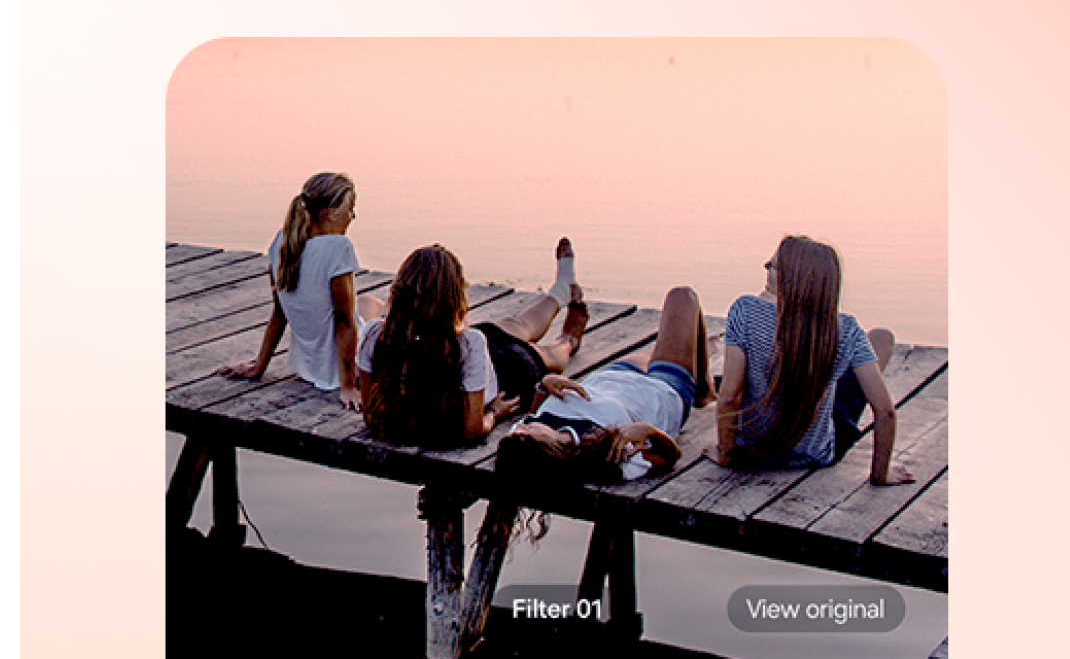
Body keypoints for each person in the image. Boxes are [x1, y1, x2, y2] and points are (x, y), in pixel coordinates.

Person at [713, 234, 914, 485]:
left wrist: (725, 454)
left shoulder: (744, 311)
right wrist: (881, 475)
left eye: (773, 265)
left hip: (753, 450)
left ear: (791, 277)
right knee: (881, 338)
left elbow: (730, 397)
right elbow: (885, 411)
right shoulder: (847, 328)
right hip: (815, 455)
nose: (765, 266)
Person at [358, 239, 588, 447]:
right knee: (547, 354)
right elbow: (473, 430)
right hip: (506, 373)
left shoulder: (375, 333)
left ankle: (561, 290)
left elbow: (370, 415)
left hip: (464, 349)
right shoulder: (468, 343)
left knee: (514, 325)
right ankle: (569, 338)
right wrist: (496, 414)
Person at [495, 284, 717, 488]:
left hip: (614, 375)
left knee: (670, 344)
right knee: (682, 296)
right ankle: (701, 386)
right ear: (550, 448)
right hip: (662, 388)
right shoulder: (608, 454)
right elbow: (669, 458)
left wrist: (544, 387)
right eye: (525, 431)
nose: (519, 427)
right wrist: (650, 432)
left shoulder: (520, 438)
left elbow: (535, 413)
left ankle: (702, 373)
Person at [220, 171, 375, 410]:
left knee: (366, 302)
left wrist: (258, 366)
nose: (353, 216)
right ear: (331, 212)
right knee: (387, 316)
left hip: (310, 368)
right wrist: (347, 386)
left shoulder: (281, 243)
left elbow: (279, 314)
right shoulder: (337, 247)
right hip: (343, 369)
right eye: (350, 207)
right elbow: (344, 321)